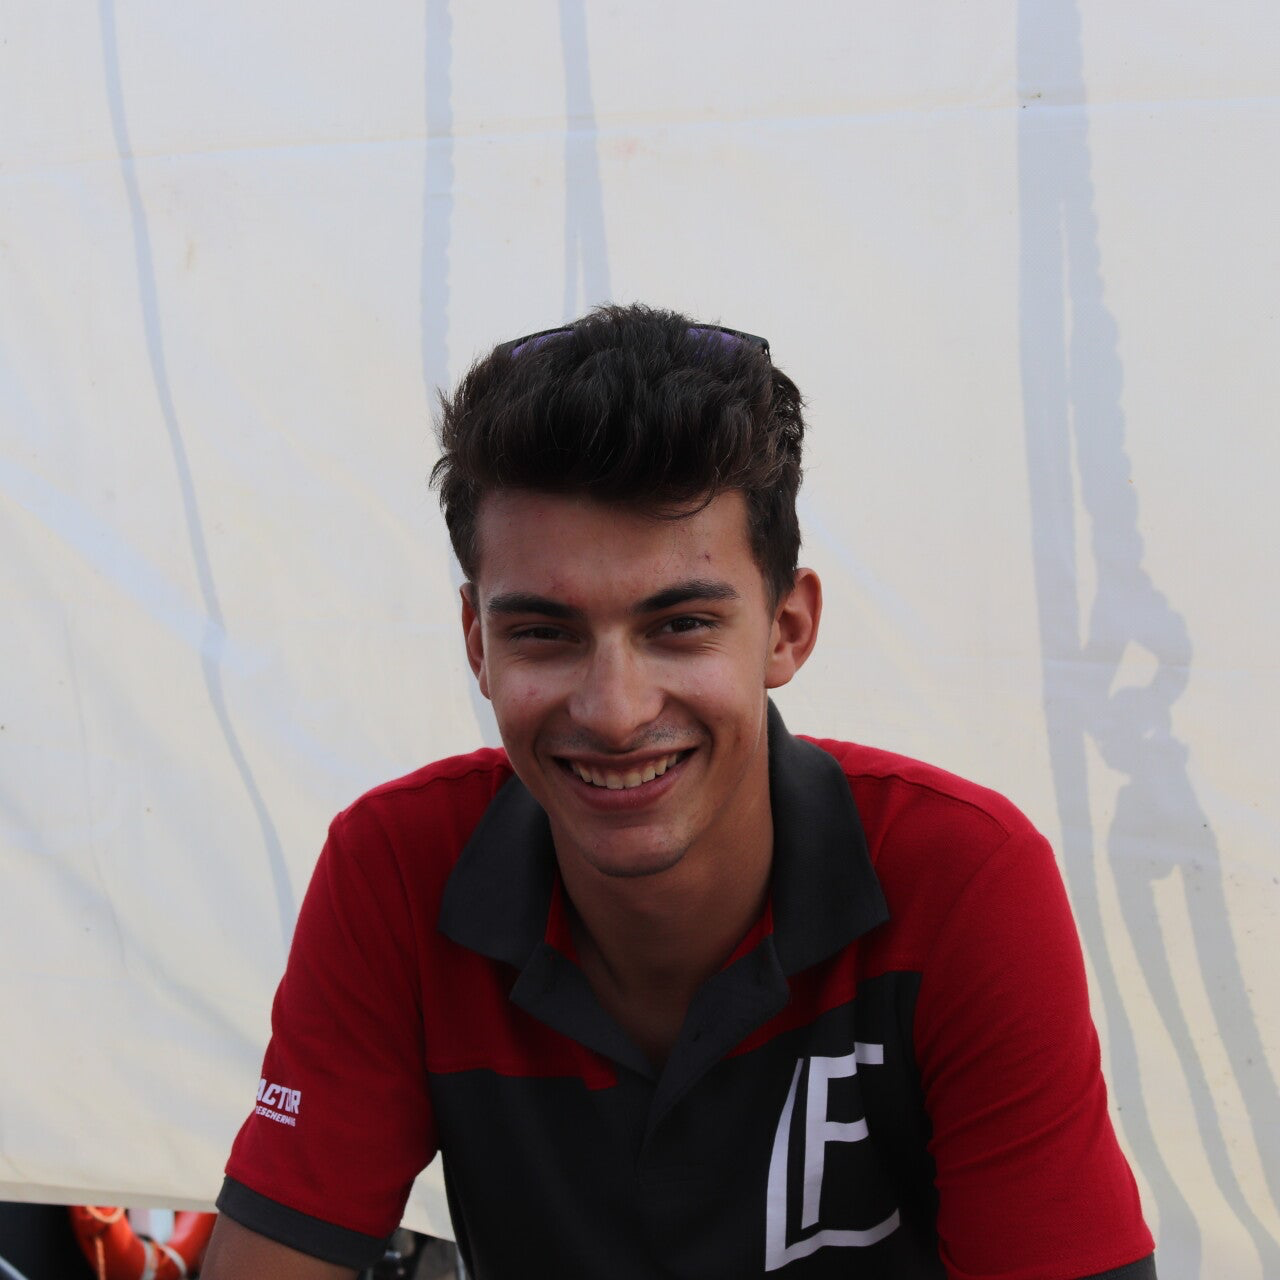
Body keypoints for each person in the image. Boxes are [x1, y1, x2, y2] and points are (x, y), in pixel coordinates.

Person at [203, 305, 1157, 1279]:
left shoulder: (958, 878)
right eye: (544, 633)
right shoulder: (398, 868)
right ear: (476, 643)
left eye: (680, 626)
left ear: (786, 628)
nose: (614, 712)